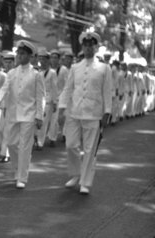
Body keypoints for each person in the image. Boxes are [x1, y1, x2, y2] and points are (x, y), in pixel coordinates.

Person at [58, 32, 112, 194]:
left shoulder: (104, 68)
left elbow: (107, 91)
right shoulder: (75, 67)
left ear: (96, 47)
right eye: (86, 45)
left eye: (91, 45)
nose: (88, 48)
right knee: (70, 145)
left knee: (89, 149)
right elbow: (68, 89)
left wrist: (107, 112)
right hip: (74, 112)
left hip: (93, 113)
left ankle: (85, 182)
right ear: (82, 47)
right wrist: (62, 108)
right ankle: (76, 174)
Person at [0, 40, 44, 189]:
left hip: (29, 114)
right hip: (13, 113)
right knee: (11, 143)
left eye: (22, 54)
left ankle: (22, 177)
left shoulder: (36, 74)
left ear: (29, 56)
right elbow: (4, 88)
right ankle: (17, 168)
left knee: (25, 147)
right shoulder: (11, 73)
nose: (19, 56)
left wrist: (39, 116)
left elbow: (41, 96)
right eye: (18, 53)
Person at [36, 50, 57, 150]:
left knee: (43, 122)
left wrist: (55, 102)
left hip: (48, 100)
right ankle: (36, 139)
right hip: (37, 99)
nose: (41, 61)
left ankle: (40, 143)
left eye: (43, 59)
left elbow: (54, 88)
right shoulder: (37, 71)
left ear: (48, 60)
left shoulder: (52, 73)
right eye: (40, 59)